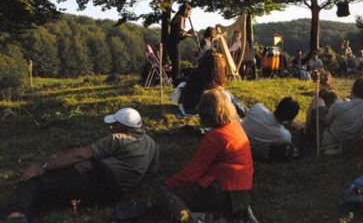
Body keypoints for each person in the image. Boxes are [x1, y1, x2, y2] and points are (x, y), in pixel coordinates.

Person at [4, 108, 159, 222]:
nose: (111, 127)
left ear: (123, 127)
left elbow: (81, 154)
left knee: (35, 181)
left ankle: (15, 214)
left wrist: (44, 167)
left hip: (96, 179)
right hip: (112, 195)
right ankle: (29, 213)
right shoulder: (152, 144)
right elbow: (151, 174)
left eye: (115, 124)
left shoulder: (119, 138)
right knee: (52, 197)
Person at [158, 89, 253, 222]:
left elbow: (193, 172)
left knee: (166, 195)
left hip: (222, 192)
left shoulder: (215, 137)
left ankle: (194, 219)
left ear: (205, 111)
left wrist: (169, 183)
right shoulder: (235, 127)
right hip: (241, 193)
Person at [178, 53, 243, 116]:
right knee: (226, 94)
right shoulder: (211, 79)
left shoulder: (196, 73)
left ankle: (242, 111)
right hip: (196, 109)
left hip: (186, 108)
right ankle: (243, 111)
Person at [167, 3, 193, 82]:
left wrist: (188, 32)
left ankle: (175, 80)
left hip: (171, 42)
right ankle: (176, 82)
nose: (190, 14)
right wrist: (190, 35)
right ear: (186, 11)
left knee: (175, 63)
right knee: (176, 64)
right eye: (189, 12)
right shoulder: (181, 18)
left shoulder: (176, 17)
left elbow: (178, 33)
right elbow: (180, 34)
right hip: (174, 44)